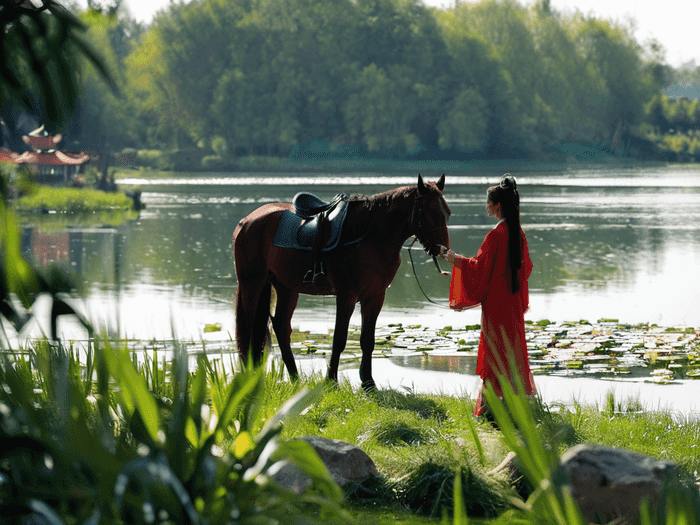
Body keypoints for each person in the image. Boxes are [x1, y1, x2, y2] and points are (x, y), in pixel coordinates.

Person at [440, 174, 536, 417]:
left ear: (498, 206)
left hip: (496, 306)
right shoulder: (518, 233)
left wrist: (454, 259)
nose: (486, 206)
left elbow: (480, 269)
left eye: (488, 203)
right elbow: (525, 269)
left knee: (494, 354)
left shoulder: (495, 236)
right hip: (512, 304)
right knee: (512, 351)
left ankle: (490, 411)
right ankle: (516, 410)